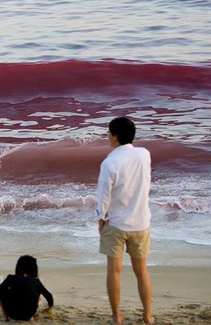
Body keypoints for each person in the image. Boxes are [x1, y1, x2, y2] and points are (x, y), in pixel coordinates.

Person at [95, 116, 154, 325]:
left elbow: (104, 195)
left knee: (114, 270)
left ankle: (117, 316)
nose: (108, 137)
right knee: (141, 270)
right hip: (141, 221)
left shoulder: (110, 162)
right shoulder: (144, 155)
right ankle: (147, 315)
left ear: (115, 136)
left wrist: (100, 218)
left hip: (117, 223)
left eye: (109, 133)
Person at [0, 255, 53, 321]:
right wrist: (50, 307)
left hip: (12, 314)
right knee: (36, 292)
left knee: (0, 293)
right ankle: (31, 317)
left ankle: (5, 317)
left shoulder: (11, 278)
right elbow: (49, 296)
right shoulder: (36, 281)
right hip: (28, 315)